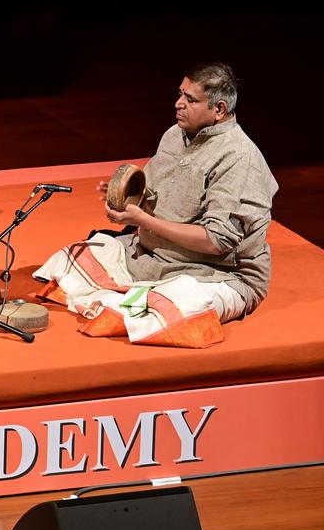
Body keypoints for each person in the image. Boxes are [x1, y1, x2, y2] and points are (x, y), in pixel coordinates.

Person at [36, 63, 278, 346]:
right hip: (152, 257)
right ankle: (129, 297)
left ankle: (128, 300)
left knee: (170, 308)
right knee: (68, 259)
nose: (178, 104)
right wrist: (124, 196)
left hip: (216, 273)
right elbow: (151, 192)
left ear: (219, 109)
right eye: (180, 94)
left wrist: (143, 221)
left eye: (190, 99)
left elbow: (215, 242)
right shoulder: (175, 135)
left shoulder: (238, 157)